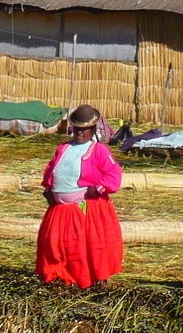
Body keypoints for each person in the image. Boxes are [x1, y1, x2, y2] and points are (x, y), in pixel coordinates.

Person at [36, 104, 124, 289]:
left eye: (84, 129)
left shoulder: (99, 151)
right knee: (56, 243)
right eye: (77, 128)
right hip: (60, 208)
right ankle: (61, 275)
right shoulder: (63, 149)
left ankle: (91, 276)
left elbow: (113, 175)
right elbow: (51, 170)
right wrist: (48, 189)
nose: (80, 133)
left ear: (92, 130)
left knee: (85, 242)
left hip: (84, 206)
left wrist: (98, 188)